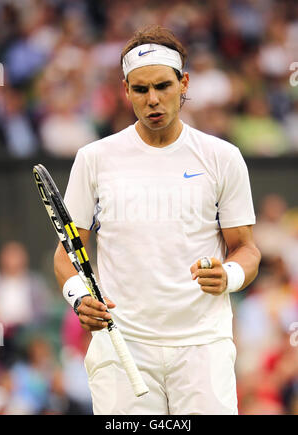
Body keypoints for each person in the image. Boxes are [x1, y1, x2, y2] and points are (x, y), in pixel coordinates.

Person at [54, 25, 261, 415]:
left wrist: (229, 276)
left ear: (184, 83)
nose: (153, 100)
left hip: (203, 346)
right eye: (140, 89)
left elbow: (245, 249)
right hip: (121, 346)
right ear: (125, 90)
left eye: (163, 86)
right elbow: (66, 252)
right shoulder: (94, 158)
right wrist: (78, 297)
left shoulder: (223, 157)